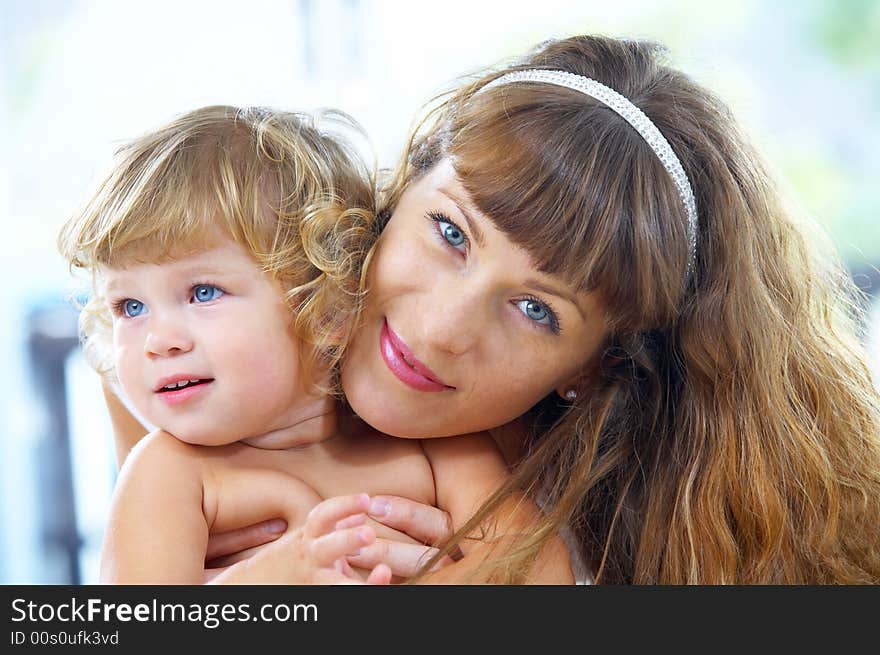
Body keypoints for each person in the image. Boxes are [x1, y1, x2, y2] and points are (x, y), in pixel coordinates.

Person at [104, 35, 880, 584]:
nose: (438, 330)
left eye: (537, 311)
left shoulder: (493, 468)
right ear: (401, 184)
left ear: (595, 367)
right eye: (449, 232)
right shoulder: (185, 372)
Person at [59, 105, 571, 584]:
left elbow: (545, 568)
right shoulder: (168, 474)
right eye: (129, 307)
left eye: (203, 292)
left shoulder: (438, 444)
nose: (157, 341)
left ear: (326, 309)